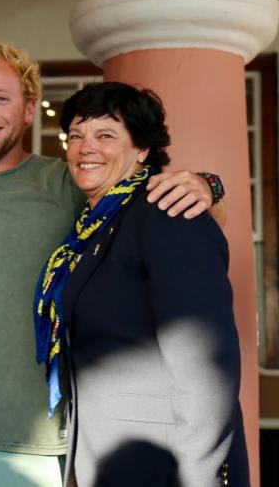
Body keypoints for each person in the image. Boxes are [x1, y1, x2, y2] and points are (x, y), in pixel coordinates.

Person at [0, 37, 223, 487]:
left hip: (39, 446)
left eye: (2, 98)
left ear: (30, 110)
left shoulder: (73, 182)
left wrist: (208, 185)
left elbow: (163, 204)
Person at [33, 82, 246, 486]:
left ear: (142, 150)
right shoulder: (91, 231)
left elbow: (206, 369)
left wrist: (198, 476)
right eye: (76, 135)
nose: (85, 147)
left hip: (166, 466)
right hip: (106, 460)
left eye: (106, 135)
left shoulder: (166, 212)